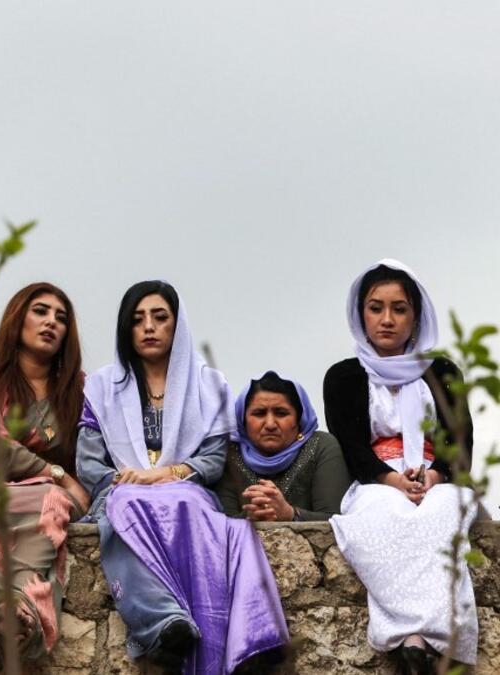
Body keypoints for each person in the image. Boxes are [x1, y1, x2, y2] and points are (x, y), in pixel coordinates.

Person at [76, 280, 288, 674]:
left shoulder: (209, 385)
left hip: (185, 491)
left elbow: (213, 459)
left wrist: (166, 474)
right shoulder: (101, 386)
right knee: (121, 508)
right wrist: (127, 482)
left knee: (188, 505)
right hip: (122, 491)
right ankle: (162, 623)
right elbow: (89, 463)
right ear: (126, 329)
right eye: (138, 320)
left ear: (178, 325)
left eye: (160, 317)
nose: (150, 327)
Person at [325, 259, 477, 672]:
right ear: (361, 314)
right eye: (376, 308)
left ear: (416, 315)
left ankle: (423, 638)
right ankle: (415, 636)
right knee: (381, 517)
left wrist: (431, 475)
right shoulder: (343, 377)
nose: (387, 320)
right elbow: (352, 445)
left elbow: (458, 441)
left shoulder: (443, 371)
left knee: (442, 514)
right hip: (376, 480)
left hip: (435, 477)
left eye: (399, 309)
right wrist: (392, 479)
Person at [0, 282, 90, 661]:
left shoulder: (78, 389)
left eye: (61, 317)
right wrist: (57, 473)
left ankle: (19, 611)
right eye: (40, 311)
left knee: (50, 506)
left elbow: (92, 450)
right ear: (17, 318)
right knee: (13, 501)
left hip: (47, 499)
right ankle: (10, 609)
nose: (51, 322)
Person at [217, 371, 351, 521]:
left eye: (281, 413)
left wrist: (290, 514)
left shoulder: (321, 446)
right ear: (243, 420)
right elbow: (220, 525)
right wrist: (251, 516)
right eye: (259, 413)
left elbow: (337, 521)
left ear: (299, 419)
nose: (270, 424)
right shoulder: (229, 452)